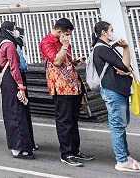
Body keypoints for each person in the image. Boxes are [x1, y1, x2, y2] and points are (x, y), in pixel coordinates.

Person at [39, 18, 94, 167]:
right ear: (59, 31)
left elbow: (64, 62)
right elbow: (56, 62)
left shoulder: (64, 43)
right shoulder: (47, 42)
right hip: (60, 87)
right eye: (67, 34)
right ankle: (66, 153)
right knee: (64, 121)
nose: (68, 37)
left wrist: (75, 61)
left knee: (73, 120)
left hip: (72, 85)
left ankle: (75, 150)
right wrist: (64, 46)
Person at [91, 21, 140, 172]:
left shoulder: (107, 48)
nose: (113, 32)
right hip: (113, 91)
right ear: (103, 33)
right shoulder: (101, 48)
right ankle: (122, 160)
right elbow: (124, 65)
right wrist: (126, 48)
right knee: (117, 125)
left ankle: (125, 156)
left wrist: (125, 69)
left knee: (120, 124)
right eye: (111, 30)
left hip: (117, 90)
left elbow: (124, 68)